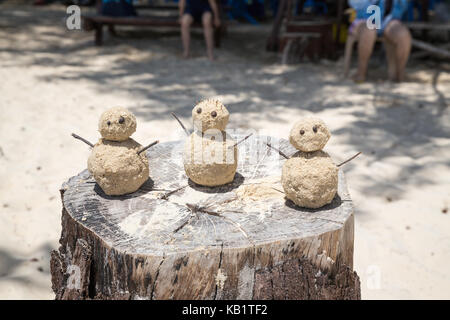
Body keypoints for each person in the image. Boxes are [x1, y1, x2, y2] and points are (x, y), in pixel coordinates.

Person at [347, 0, 411, 82]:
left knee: (403, 35)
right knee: (369, 31)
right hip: (365, 18)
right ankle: (360, 73)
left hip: (389, 20)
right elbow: (355, 4)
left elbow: (403, 7)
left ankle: (399, 76)